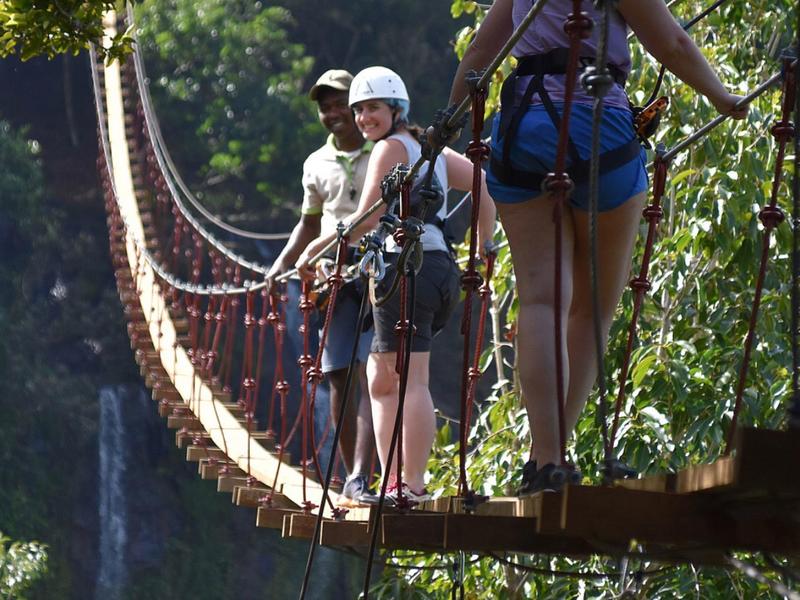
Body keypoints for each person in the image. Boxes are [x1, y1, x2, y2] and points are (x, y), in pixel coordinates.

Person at [447, 0, 748, 494]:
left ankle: (546, 461)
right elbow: (670, 42)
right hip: (597, 130)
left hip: (522, 127)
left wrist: (449, 123)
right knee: (592, 311)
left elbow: (483, 47)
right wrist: (720, 97)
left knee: (541, 299)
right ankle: (558, 453)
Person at [296, 66, 497, 504]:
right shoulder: (431, 150)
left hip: (403, 270)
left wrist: (315, 252)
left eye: (373, 108)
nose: (365, 117)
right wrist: (480, 246)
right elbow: (481, 183)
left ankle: (400, 483)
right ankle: (410, 482)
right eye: (360, 110)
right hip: (439, 268)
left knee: (387, 381)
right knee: (408, 377)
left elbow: (365, 218)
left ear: (395, 108)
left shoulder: (389, 149)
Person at [266, 69, 376, 505]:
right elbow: (309, 223)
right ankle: (352, 477)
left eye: (339, 103)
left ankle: (364, 478)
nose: (332, 113)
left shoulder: (384, 148)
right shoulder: (316, 163)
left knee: (373, 371)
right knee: (337, 374)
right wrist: (281, 265)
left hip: (379, 268)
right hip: (332, 274)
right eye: (324, 106)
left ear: (357, 105)